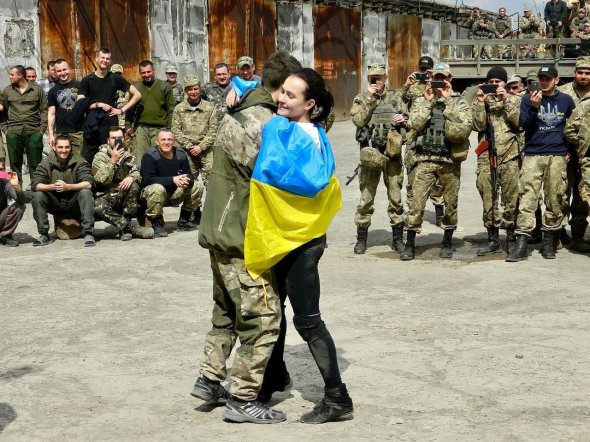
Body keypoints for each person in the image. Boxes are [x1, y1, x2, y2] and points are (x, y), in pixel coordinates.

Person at [192, 51, 301, 424]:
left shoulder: (236, 112)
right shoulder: (266, 123)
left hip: (218, 230)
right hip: (241, 237)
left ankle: (209, 379)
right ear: (283, 86)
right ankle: (242, 397)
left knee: (225, 312)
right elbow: (283, 179)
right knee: (263, 319)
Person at [258, 68, 353, 424]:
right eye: (281, 91)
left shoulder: (304, 135)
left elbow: (304, 181)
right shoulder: (289, 127)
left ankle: (337, 398)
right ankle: (274, 377)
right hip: (283, 235)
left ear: (309, 104)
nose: (282, 98)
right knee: (276, 311)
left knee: (308, 321)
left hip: (302, 241)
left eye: (291, 95)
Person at [401, 63, 473, 261]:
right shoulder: (422, 100)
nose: (440, 82)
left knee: (451, 204)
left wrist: (448, 102)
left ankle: (448, 241)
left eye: (444, 78)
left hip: (449, 160)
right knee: (416, 203)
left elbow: (465, 127)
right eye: (437, 78)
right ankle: (410, 243)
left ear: (450, 79)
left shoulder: (459, 102)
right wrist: (427, 102)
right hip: (425, 159)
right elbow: (413, 124)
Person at [507, 66, 575, 261]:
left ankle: (549, 241)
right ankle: (521, 243)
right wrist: (535, 107)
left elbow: (572, 127)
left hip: (556, 155)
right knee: (527, 198)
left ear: (556, 80)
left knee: (555, 198)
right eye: (541, 79)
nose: (544, 82)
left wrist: (569, 150)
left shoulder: (565, 100)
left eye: (548, 79)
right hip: (533, 154)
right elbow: (524, 125)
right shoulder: (527, 99)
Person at [350, 63, 406, 255]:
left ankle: (398, 238)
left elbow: (407, 119)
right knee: (366, 198)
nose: (376, 82)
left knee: (396, 198)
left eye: (379, 78)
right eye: (372, 78)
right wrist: (369, 99)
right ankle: (361, 239)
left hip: (392, 155)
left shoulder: (395, 97)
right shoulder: (361, 98)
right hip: (371, 155)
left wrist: (402, 119)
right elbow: (358, 121)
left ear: (385, 78)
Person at [472, 67, 522, 256]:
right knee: (488, 197)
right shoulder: (480, 102)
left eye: (497, 82)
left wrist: (505, 100)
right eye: (490, 82)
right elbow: (477, 125)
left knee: (511, 198)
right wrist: (479, 103)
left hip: (510, 155)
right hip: (487, 156)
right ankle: (492, 238)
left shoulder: (515, 99)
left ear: (504, 84)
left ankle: (510, 237)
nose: (493, 86)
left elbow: (519, 122)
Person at [398, 55, 445, 227]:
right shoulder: (413, 85)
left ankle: (440, 212)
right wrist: (406, 84)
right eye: (422, 70)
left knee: (437, 178)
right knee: (411, 175)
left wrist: (435, 81)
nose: (424, 73)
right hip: (414, 135)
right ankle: (412, 214)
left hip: (433, 135)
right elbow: (398, 101)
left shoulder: (439, 85)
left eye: (427, 70)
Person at [77, 47, 141, 165]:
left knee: (113, 154)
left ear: (110, 61)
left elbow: (137, 95)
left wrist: (121, 110)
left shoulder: (115, 78)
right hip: (92, 124)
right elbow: (80, 103)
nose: (105, 60)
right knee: (88, 157)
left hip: (110, 124)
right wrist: (99, 105)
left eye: (107, 59)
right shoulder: (87, 80)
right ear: (97, 58)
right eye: (102, 58)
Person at [30, 134, 96, 247]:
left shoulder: (79, 161)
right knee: (37, 195)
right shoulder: (46, 162)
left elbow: (89, 183)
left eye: (66, 147)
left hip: (74, 203)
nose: (64, 150)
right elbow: (35, 185)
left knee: (86, 192)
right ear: (54, 147)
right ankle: (44, 234)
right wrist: (52, 187)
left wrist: (68, 187)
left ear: (70, 148)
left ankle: (88, 232)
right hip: (55, 203)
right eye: (60, 147)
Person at [92, 126, 153, 241]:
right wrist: (112, 161)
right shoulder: (99, 157)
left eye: (119, 137)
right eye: (113, 138)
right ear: (108, 140)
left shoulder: (128, 155)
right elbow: (100, 179)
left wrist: (131, 177)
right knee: (97, 207)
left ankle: (125, 228)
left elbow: (137, 173)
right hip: (106, 195)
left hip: (123, 194)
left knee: (134, 185)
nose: (117, 140)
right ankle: (129, 227)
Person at [170, 75, 218, 222]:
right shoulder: (179, 109)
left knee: (212, 183)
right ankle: (193, 212)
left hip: (206, 151)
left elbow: (214, 130)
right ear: (186, 91)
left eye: (195, 88)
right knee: (190, 182)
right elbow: (175, 130)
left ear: (199, 89)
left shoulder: (210, 107)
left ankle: (213, 214)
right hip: (187, 152)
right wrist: (190, 146)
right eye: (190, 89)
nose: (193, 92)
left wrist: (201, 147)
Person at [139, 128, 200, 237]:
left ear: (173, 141)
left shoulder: (180, 154)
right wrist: (173, 179)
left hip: (173, 193)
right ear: (157, 142)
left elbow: (190, 175)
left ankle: (184, 221)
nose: (166, 142)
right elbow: (147, 180)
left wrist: (186, 180)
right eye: (163, 140)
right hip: (151, 196)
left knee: (197, 185)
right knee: (157, 188)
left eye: (169, 139)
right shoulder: (150, 156)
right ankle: (156, 223)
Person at [557, 56, 590, 252]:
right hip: (565, 152)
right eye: (581, 72)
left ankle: (578, 237)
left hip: (587, 156)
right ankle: (559, 234)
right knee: (560, 194)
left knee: (582, 197)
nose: (584, 76)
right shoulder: (562, 92)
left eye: (588, 73)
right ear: (574, 73)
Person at [0, 65, 47, 185]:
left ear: (20, 75)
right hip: (14, 132)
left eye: (12, 74)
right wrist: (5, 129)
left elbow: (44, 110)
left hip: (34, 131)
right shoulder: (7, 90)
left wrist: (41, 130)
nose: (10, 77)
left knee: (35, 164)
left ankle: (36, 192)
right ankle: (18, 196)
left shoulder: (36, 90)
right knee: (15, 165)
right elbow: (2, 109)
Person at [130, 60, 175, 160]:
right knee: (141, 159)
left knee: (159, 158)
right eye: (143, 72)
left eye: (149, 71)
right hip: (141, 128)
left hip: (160, 129)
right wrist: (128, 126)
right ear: (140, 73)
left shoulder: (165, 86)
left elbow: (171, 110)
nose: (146, 75)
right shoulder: (136, 88)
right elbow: (130, 109)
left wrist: (169, 129)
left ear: (154, 71)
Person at [47, 59, 84, 156]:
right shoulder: (52, 91)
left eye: (64, 69)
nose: (62, 73)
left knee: (79, 162)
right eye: (59, 71)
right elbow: (51, 114)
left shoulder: (80, 86)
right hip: (61, 133)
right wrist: (51, 135)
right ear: (55, 72)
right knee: (61, 162)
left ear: (69, 69)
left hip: (78, 132)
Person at [0, 170, 26, 247]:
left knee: (19, 206)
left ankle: (6, 236)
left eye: (2, 169)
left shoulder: (5, 182)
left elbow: (22, 201)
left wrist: (16, 186)